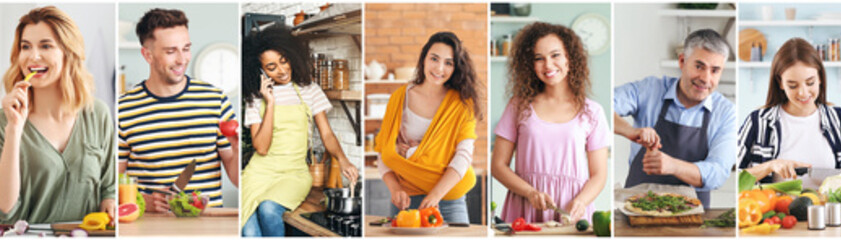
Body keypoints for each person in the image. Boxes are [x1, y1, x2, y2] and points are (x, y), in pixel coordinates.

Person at [0, 6, 116, 228]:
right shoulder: (2, 123)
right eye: (25, 47)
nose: (33, 56)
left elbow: (108, 187)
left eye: (46, 45)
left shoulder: (98, 114)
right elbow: (3, 209)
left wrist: (110, 201)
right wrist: (14, 130)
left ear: (69, 52)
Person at [237, 24, 360, 236]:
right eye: (271, 67)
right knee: (248, 231)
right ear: (260, 70)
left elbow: (327, 134)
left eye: (284, 61)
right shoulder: (255, 99)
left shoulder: (309, 90)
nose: (282, 70)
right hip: (259, 173)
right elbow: (262, 148)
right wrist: (270, 102)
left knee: (268, 209)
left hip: (294, 174)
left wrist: (343, 160)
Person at [118, 8, 238, 213]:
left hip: (209, 226)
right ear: (148, 54)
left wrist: (236, 150)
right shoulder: (123, 109)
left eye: (186, 48)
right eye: (171, 51)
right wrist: (143, 201)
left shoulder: (215, 100)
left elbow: (236, 180)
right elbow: (112, 184)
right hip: (151, 228)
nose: (182, 59)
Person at [492, 22, 608, 223]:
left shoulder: (593, 112)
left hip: (572, 210)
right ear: (530, 64)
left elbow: (599, 174)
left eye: (555, 55)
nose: (548, 65)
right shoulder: (518, 106)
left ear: (569, 58)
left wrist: (581, 202)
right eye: (539, 58)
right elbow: (498, 165)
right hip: (525, 206)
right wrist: (530, 193)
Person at [611, 29, 735, 206]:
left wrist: (672, 166)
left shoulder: (726, 112)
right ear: (682, 61)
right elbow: (598, 108)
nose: (706, 78)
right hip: (636, 211)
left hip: (691, 219)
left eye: (715, 70)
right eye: (699, 66)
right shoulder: (650, 90)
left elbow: (719, 173)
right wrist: (631, 131)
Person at [372, 31, 480, 223]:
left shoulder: (462, 103)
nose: (439, 68)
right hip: (407, 198)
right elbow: (383, 151)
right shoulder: (399, 98)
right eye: (434, 59)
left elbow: (463, 156)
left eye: (448, 62)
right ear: (424, 59)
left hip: (449, 197)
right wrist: (395, 188)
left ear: (455, 67)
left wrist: (435, 195)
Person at [736, 38, 841, 185]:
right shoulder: (757, 122)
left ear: (820, 78)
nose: (803, 93)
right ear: (780, 83)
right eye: (793, 85)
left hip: (829, 208)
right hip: (772, 207)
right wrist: (769, 166)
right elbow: (736, 179)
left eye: (810, 83)